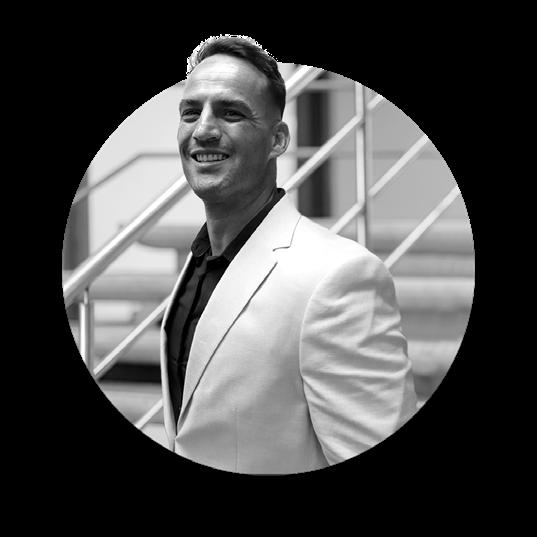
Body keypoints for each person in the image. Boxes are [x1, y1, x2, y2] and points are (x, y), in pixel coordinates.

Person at [160, 35, 417, 474]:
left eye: (231, 112)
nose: (203, 129)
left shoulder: (339, 276)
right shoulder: (198, 261)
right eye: (191, 112)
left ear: (277, 140)